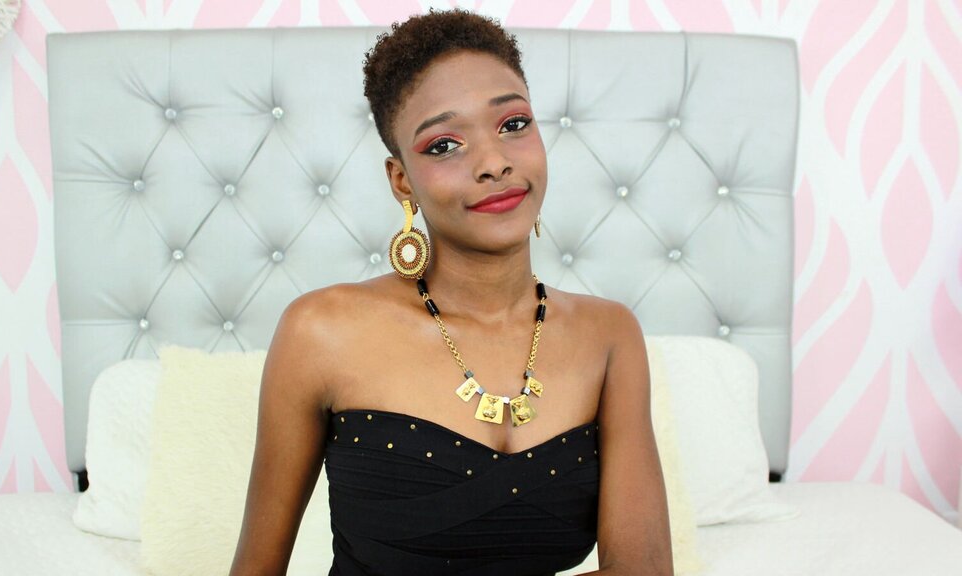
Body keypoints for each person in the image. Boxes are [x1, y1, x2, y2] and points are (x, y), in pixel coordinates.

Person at [229, 8, 672, 576]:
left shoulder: (609, 335)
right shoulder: (320, 332)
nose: (494, 163)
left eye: (513, 124)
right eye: (444, 145)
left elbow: (645, 570)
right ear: (401, 180)